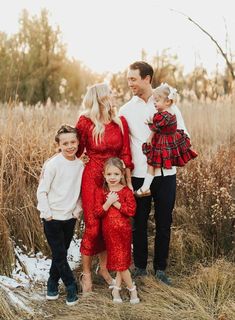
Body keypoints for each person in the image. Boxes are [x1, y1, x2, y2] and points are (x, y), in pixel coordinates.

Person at [119, 61, 190, 285]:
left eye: (133, 79)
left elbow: (183, 134)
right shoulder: (126, 110)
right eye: (128, 78)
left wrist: (163, 146)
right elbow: (122, 144)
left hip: (167, 174)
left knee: (163, 222)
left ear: (147, 78)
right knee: (138, 223)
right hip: (140, 174)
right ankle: (140, 267)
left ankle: (160, 269)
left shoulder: (167, 104)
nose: (129, 83)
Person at [75, 83, 134, 294]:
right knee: (93, 226)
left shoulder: (120, 122)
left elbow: (126, 153)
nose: (113, 95)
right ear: (100, 98)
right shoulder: (84, 122)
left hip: (114, 179)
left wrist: (128, 183)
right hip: (92, 178)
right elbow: (75, 149)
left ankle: (104, 270)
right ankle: (87, 274)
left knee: (111, 224)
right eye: (109, 93)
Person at [37, 124, 84, 306]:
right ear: (59, 144)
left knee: (60, 254)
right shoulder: (53, 164)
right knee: (59, 254)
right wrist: (47, 213)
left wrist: (76, 210)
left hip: (69, 217)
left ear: (78, 142)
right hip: (52, 218)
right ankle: (71, 286)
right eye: (65, 143)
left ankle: (52, 283)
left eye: (73, 142)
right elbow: (42, 191)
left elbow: (80, 192)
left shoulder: (80, 165)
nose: (70, 146)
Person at [135, 83, 197, 196]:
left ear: (167, 102)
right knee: (152, 163)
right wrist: (151, 135)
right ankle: (146, 187)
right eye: (154, 101)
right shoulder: (166, 113)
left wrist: (150, 123)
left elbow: (156, 127)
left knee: (152, 163)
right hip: (165, 138)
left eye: (157, 101)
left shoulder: (165, 115)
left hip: (164, 142)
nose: (154, 103)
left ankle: (145, 187)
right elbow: (157, 129)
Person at [94, 157, 139, 304]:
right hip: (110, 233)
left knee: (122, 262)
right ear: (104, 175)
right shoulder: (102, 192)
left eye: (116, 174)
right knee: (121, 263)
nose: (112, 177)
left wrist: (117, 203)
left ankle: (117, 290)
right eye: (109, 174)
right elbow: (98, 213)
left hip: (124, 232)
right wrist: (108, 202)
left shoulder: (126, 191)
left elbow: (131, 211)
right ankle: (132, 290)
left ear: (121, 175)